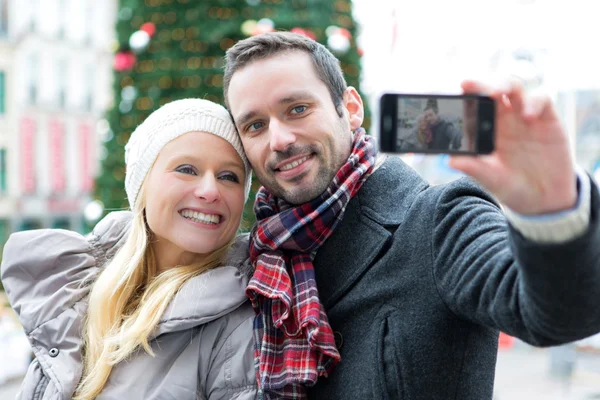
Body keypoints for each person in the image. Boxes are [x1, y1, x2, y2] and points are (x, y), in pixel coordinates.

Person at [222, 32, 600, 399]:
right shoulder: (259, 262)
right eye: (256, 125)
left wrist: (553, 212)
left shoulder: (440, 218)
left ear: (351, 109)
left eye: (298, 109)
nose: (280, 140)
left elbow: (559, 314)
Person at [1, 99, 257, 399]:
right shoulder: (78, 289)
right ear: (142, 184)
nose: (210, 190)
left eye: (229, 176)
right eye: (187, 169)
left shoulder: (244, 322)